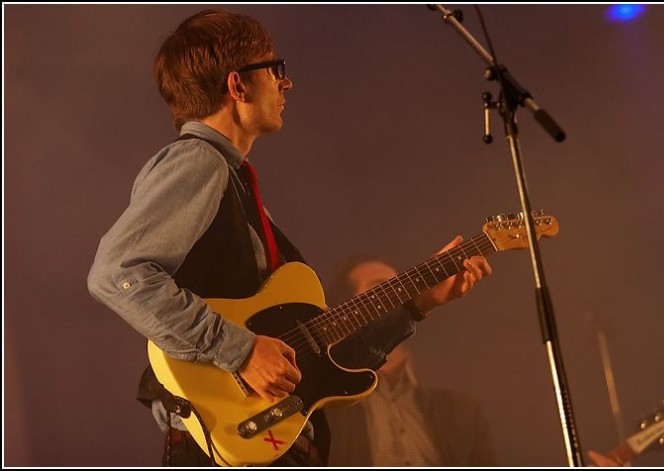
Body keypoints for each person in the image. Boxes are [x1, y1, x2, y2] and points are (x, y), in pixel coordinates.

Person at [87, 9, 492, 467]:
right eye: (275, 69)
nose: (287, 83)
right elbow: (117, 273)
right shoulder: (198, 161)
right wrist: (239, 350)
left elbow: (321, 363)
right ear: (238, 86)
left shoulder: (234, 185)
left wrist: (418, 304)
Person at [323, 256, 498, 466]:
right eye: (379, 288)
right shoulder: (326, 406)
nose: (398, 295)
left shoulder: (463, 413)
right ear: (347, 310)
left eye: (400, 286)